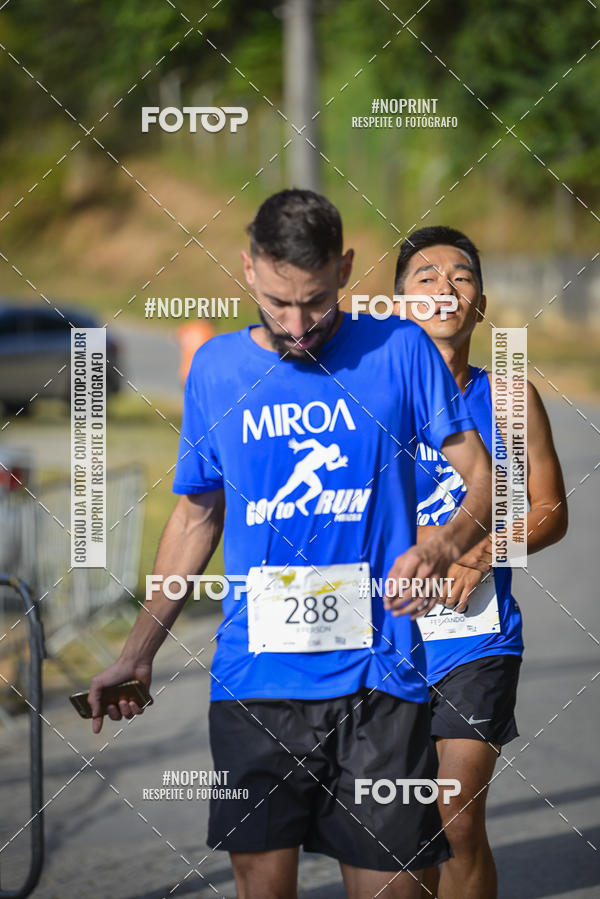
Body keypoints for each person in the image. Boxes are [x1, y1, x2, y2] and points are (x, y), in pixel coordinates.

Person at [88, 193, 494, 899]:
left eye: (314, 301)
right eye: (279, 302)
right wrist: (137, 651)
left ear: (344, 268)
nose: (298, 324)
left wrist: (446, 543)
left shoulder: (399, 350)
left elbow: (485, 479)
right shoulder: (215, 369)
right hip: (256, 684)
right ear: (248, 269)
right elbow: (194, 519)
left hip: (380, 679)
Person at [394, 225, 568, 899]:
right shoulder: (367, 398)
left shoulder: (508, 399)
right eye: (425, 277)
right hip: (389, 638)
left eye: (461, 276)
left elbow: (550, 510)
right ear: (399, 303)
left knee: (456, 819)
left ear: (483, 303)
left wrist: (485, 548)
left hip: (478, 637)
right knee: (398, 828)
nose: (445, 288)